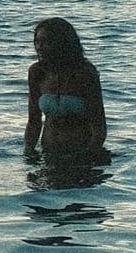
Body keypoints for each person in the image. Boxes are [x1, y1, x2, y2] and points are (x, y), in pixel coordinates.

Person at [24, 17, 108, 160]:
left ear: (62, 43)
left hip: (81, 154)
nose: (39, 47)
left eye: (46, 42)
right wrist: (29, 152)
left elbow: (99, 125)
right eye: (37, 42)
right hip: (48, 153)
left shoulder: (85, 73)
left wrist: (89, 154)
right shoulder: (37, 72)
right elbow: (33, 121)